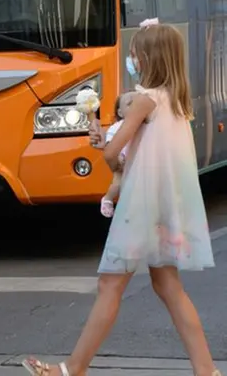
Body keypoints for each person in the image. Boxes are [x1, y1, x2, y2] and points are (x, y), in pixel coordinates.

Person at [23, 22, 219, 376]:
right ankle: (206, 370)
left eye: (135, 54)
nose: (132, 60)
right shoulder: (175, 101)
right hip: (164, 206)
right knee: (168, 285)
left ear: (147, 58)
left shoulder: (144, 101)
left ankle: (73, 368)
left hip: (140, 207)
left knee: (110, 284)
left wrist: (104, 146)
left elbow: (114, 155)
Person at [99, 91, 136, 218]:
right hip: (122, 160)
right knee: (117, 183)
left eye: (137, 103)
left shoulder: (143, 124)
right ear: (120, 113)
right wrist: (117, 157)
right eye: (129, 104)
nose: (135, 106)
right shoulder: (117, 127)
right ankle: (108, 199)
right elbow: (110, 144)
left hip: (137, 161)